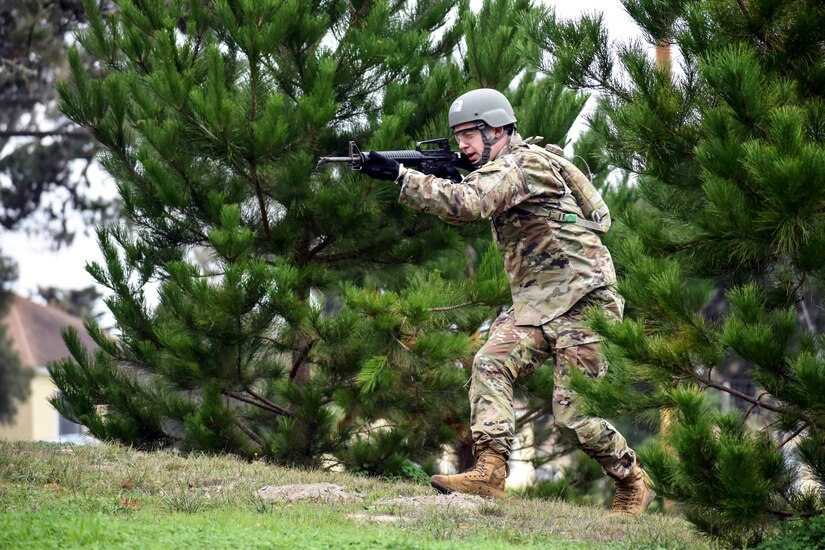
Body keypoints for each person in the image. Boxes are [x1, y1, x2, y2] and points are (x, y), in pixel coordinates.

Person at [357, 88, 654, 515]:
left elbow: (470, 202)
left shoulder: (525, 164)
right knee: (490, 362)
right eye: (458, 136)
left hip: (583, 299)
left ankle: (632, 479)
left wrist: (403, 177)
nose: (463, 144)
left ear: (496, 128)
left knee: (575, 420)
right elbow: (473, 192)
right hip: (535, 304)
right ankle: (491, 473)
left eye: (469, 134)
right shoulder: (497, 168)